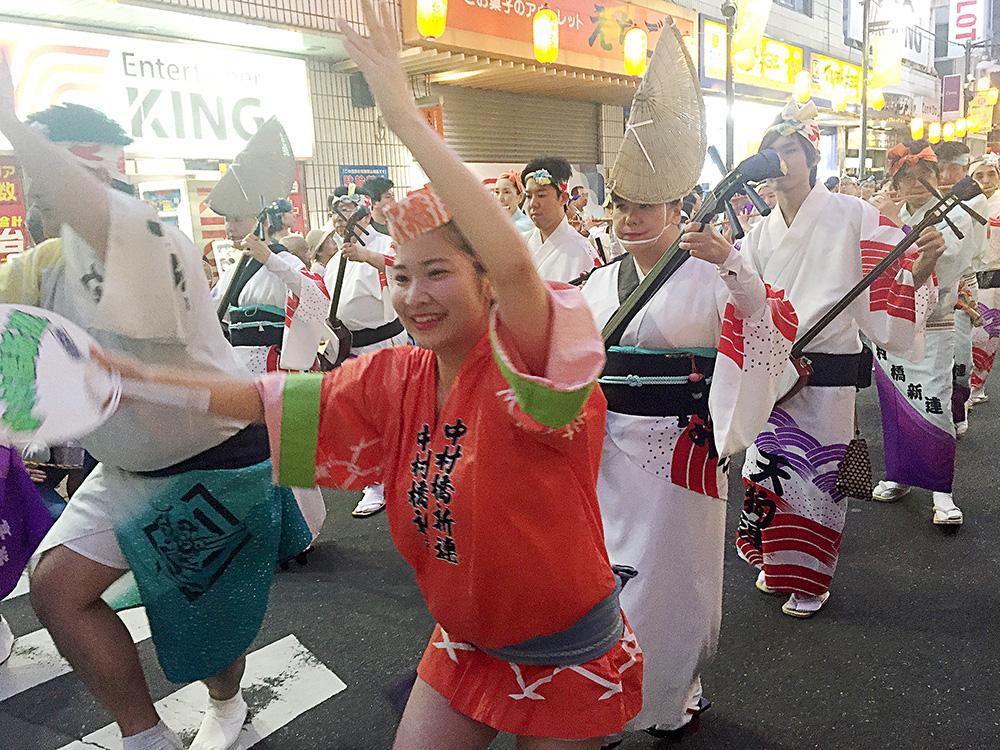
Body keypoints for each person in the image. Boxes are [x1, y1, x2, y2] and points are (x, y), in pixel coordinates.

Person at [100, 3, 643, 747]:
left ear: (486, 279)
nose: (413, 296)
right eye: (402, 275)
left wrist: (403, 114)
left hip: (563, 642)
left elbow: (520, 265)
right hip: (461, 636)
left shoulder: (530, 369)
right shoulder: (395, 376)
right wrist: (129, 379)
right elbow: (263, 398)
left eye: (438, 273)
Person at [0, 85, 325, 750]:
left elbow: (105, 223)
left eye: (42, 174)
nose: (31, 195)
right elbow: (22, 382)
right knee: (58, 587)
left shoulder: (155, 240)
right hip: (124, 463)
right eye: (26, 176)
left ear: (93, 172)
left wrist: (12, 123)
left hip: (215, 458)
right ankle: (144, 736)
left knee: (204, 632)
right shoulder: (36, 268)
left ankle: (227, 699)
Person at [579, 28, 798, 745]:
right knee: (608, 577)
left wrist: (735, 266)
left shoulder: (711, 271)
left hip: (681, 452)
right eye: (620, 206)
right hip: (606, 448)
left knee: (672, 584)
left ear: (680, 207)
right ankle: (613, 696)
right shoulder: (594, 284)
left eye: (646, 207)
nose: (630, 219)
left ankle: (671, 695)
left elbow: (764, 328)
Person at [735, 101, 944, 617]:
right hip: (773, 368)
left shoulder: (853, 215)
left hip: (826, 369)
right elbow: (742, 299)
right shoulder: (758, 234)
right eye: (771, 152)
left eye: (790, 150)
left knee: (816, 476)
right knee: (769, 468)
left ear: (810, 157)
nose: (780, 162)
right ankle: (777, 563)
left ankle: (810, 579)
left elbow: (892, 279)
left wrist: (923, 267)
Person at [869, 141, 984, 525]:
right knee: (895, 403)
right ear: (897, 185)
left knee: (934, 398)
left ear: (938, 179)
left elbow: (948, 264)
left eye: (924, 176)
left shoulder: (957, 214)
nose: (916, 184)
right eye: (907, 178)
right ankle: (899, 474)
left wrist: (900, 230)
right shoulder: (886, 215)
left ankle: (941, 489)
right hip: (891, 324)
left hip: (934, 320)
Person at [323, 198, 409, 519]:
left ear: (364, 214)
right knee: (361, 415)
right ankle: (374, 478)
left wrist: (364, 256)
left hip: (384, 341)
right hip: (351, 346)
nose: (337, 219)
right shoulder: (336, 259)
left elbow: (402, 268)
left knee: (390, 412)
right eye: (334, 214)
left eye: (344, 212)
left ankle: (393, 476)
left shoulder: (386, 243)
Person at [522, 156, 600, 282]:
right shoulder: (520, 244)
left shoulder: (582, 250)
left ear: (563, 198)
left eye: (541, 195)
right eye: (528, 196)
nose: (533, 203)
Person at [968, 152, 1000, 403]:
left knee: (987, 337)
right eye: (979, 175)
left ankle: (976, 386)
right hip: (967, 278)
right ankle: (963, 386)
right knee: (962, 339)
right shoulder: (963, 203)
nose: (986, 180)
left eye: (991, 174)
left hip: (995, 279)